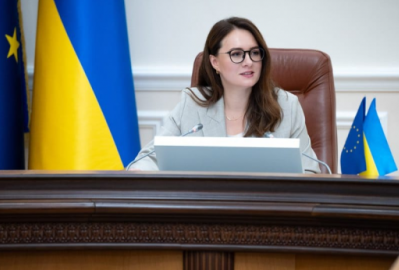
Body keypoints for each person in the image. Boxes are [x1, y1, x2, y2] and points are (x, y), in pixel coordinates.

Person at [127, 17, 320, 173]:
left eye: (254, 53)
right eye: (236, 54)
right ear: (215, 63)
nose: (248, 62)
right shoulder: (193, 104)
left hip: (267, 207)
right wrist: (138, 171)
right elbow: (150, 158)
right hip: (206, 206)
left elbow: (311, 171)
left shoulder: (286, 106)